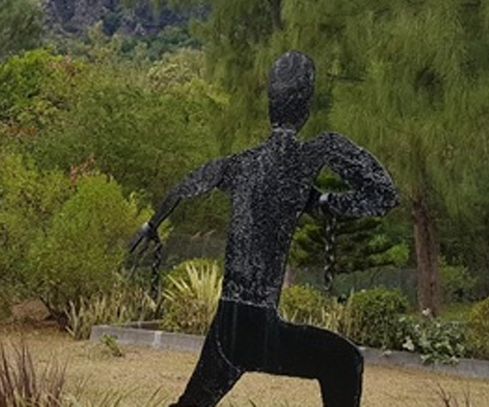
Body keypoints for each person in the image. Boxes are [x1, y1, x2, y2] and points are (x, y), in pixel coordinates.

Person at [129, 50, 398, 407]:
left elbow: (184, 186)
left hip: (228, 322)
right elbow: (383, 194)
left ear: (271, 104)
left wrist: (151, 225)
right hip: (257, 328)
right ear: (306, 106)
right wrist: (325, 202)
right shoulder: (313, 153)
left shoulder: (240, 163)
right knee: (345, 362)